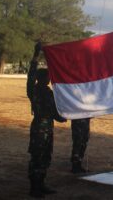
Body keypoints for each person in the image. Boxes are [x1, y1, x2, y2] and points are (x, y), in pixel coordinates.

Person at [27, 42, 67, 198]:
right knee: (36, 158)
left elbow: (54, 112)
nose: (49, 79)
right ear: (41, 79)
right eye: (47, 77)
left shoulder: (50, 93)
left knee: (45, 158)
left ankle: (41, 184)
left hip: (48, 128)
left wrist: (61, 118)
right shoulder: (34, 91)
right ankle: (34, 188)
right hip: (38, 128)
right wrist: (36, 55)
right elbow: (31, 74)